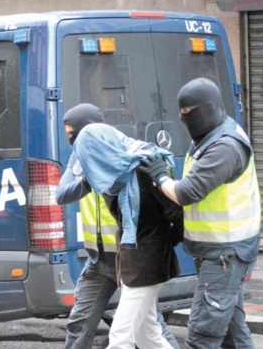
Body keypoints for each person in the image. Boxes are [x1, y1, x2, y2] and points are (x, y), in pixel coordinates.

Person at [139, 77, 261, 348]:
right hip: (217, 252)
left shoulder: (224, 146)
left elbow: (187, 192)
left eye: (190, 113)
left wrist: (160, 177)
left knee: (202, 335)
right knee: (233, 334)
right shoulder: (208, 136)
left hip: (225, 254)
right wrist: (180, 224)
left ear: (209, 108)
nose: (185, 120)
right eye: (182, 114)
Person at [57, 104, 181, 349]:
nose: (71, 141)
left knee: (122, 336)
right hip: (109, 258)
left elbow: (174, 208)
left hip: (143, 261)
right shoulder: (87, 157)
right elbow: (62, 194)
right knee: (147, 335)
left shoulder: (134, 164)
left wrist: (170, 239)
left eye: (74, 134)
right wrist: (90, 179)